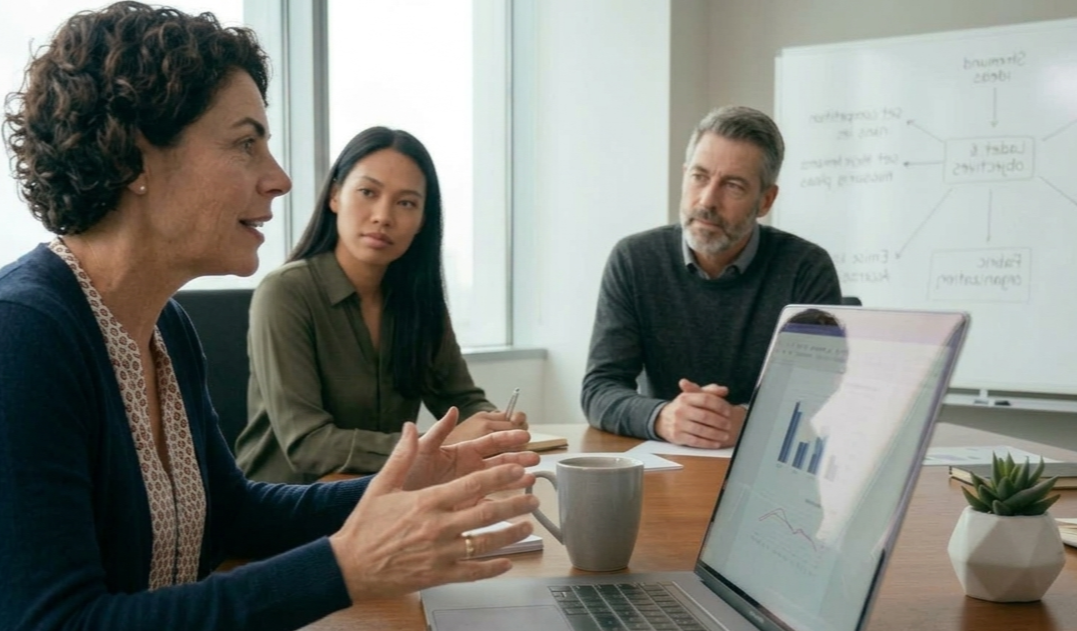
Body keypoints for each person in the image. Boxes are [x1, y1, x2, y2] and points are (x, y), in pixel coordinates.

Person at [0, 4, 538, 630]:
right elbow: (57, 623)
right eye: (246, 143)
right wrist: (344, 567)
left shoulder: (166, 328)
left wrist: (401, 482)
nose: (279, 179)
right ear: (134, 158)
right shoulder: (24, 337)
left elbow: (232, 515)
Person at [235, 126, 525, 484]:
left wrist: (494, 424)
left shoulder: (418, 301)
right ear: (335, 196)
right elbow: (308, 444)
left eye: (406, 203)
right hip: (285, 509)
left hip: (378, 496)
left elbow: (460, 400)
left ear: (422, 221)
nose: (383, 216)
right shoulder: (286, 293)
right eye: (368, 192)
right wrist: (435, 444)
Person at [580, 105, 842, 449]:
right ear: (684, 174)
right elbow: (600, 388)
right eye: (699, 177)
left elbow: (820, 392)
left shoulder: (806, 268)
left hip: (765, 465)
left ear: (766, 200)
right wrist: (663, 417)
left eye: (732, 186)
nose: (707, 200)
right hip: (666, 463)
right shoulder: (634, 259)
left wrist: (749, 421)